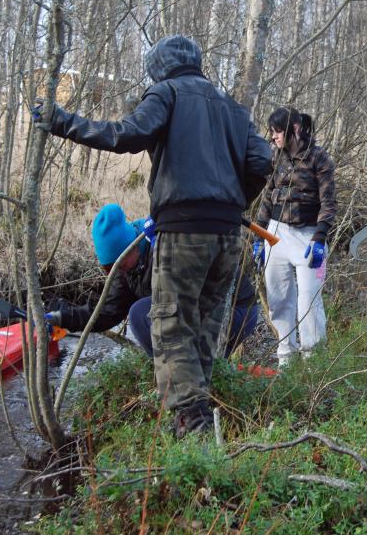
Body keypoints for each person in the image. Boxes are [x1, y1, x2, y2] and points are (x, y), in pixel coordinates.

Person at [34, 35, 272, 438]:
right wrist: (231, 205)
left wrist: (61, 122)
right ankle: (203, 422)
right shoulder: (232, 107)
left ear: (159, 68)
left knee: (171, 325)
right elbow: (262, 161)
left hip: (183, 231)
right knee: (204, 324)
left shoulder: (167, 93)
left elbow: (126, 134)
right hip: (229, 234)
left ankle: (190, 428)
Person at [45, 203, 259, 358]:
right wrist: (61, 318)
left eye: (118, 264)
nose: (117, 271)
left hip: (236, 310)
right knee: (147, 313)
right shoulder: (128, 270)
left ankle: (184, 375)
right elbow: (107, 313)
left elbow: (192, 292)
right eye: (109, 269)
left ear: (130, 247)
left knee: (141, 312)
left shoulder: (166, 241)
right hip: (199, 314)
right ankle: (185, 373)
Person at [253, 107, 336, 367]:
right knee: (278, 298)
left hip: (308, 236)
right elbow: (267, 196)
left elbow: (329, 201)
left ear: (295, 129)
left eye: (278, 131)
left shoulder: (318, 158)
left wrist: (320, 237)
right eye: (272, 132)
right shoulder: (276, 156)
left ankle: (314, 365)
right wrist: (259, 234)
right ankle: (285, 360)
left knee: (309, 300)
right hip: (276, 234)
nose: (274, 137)